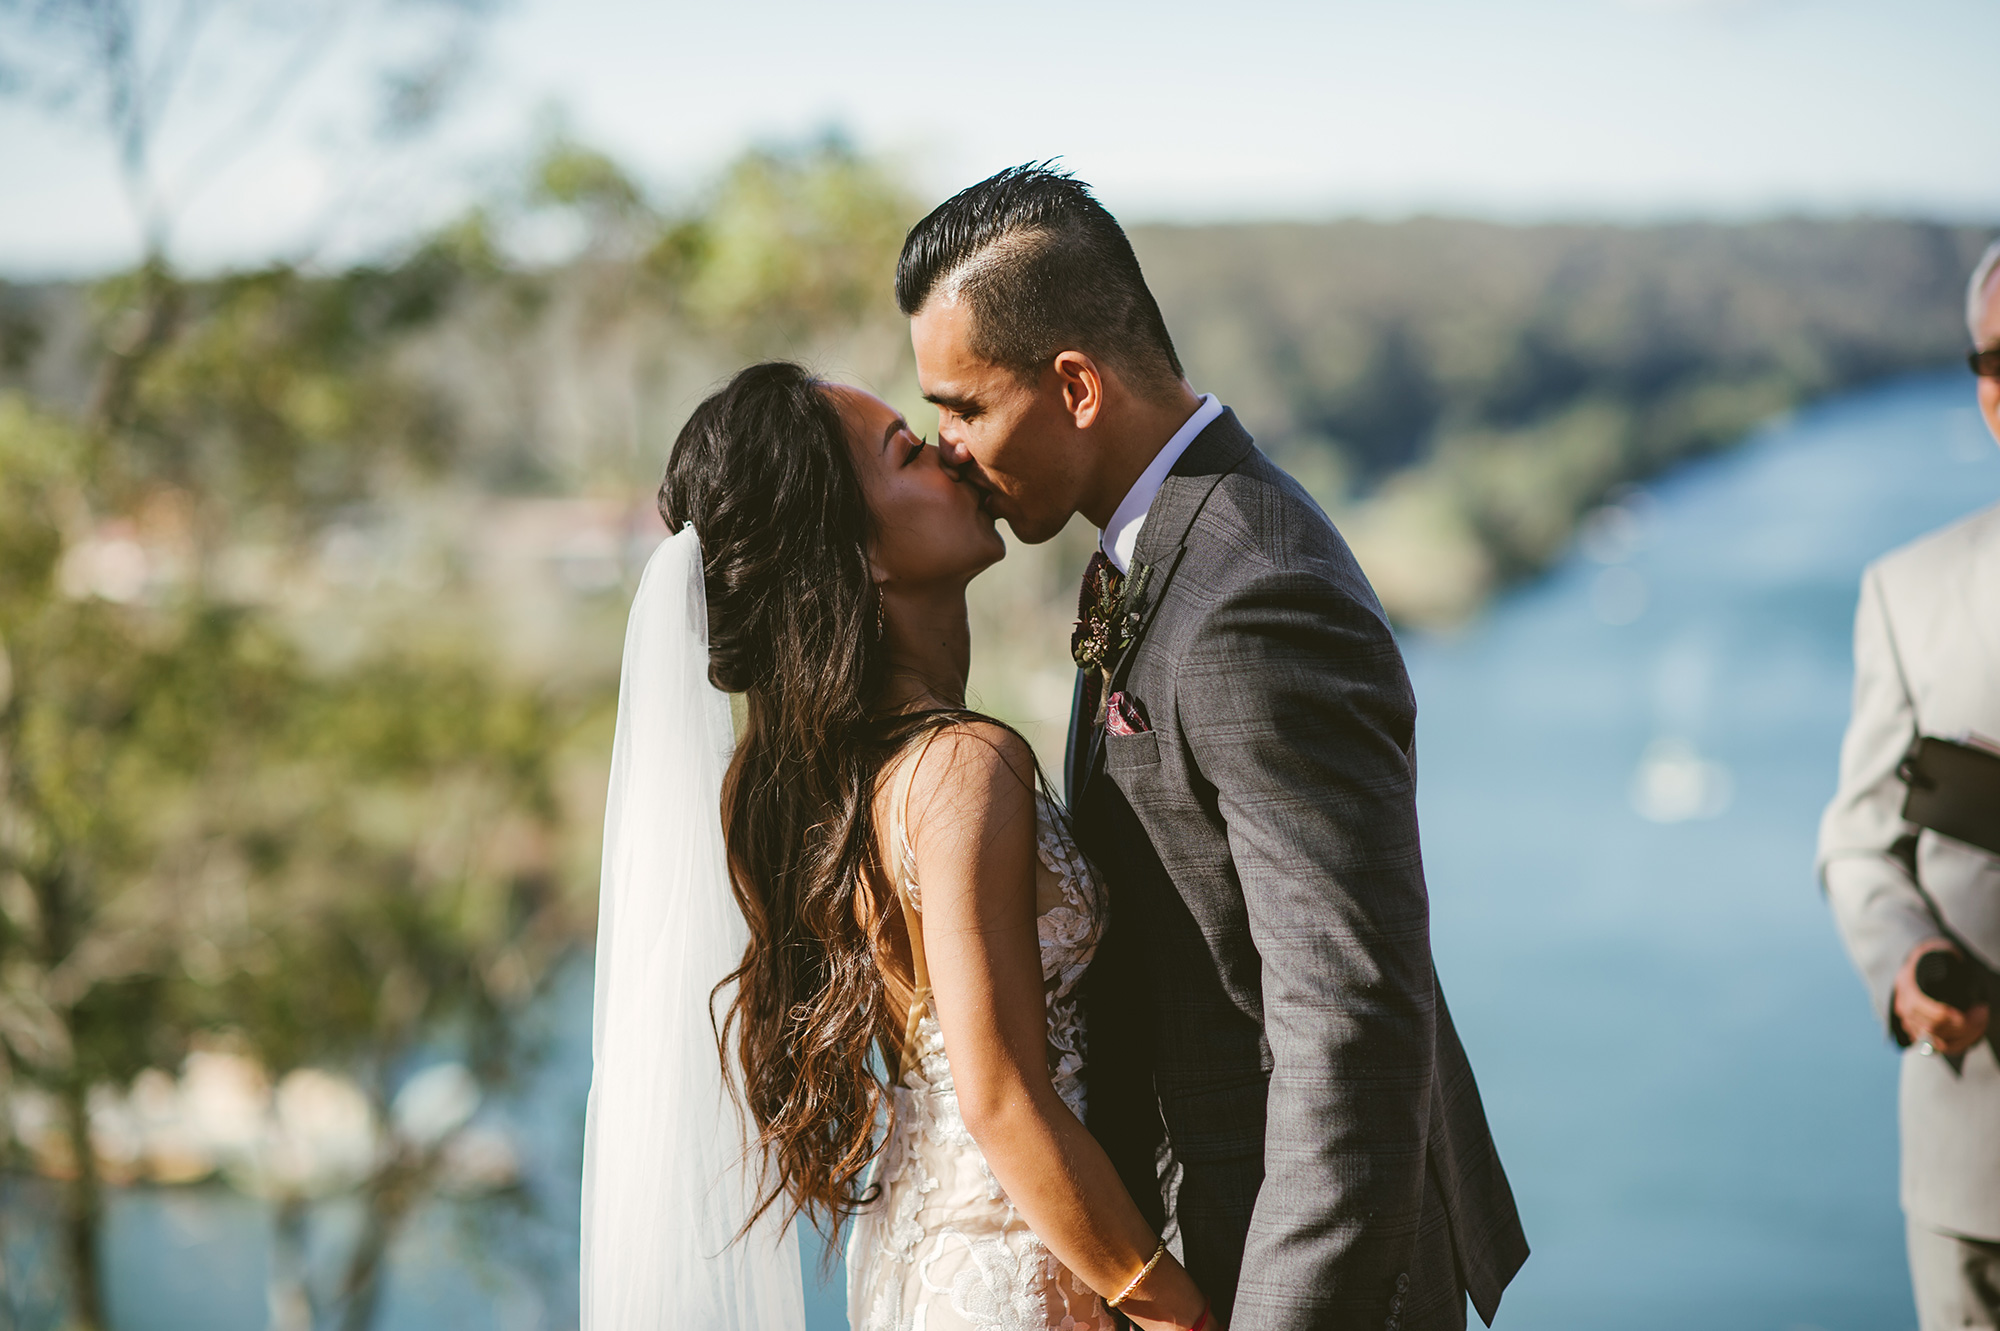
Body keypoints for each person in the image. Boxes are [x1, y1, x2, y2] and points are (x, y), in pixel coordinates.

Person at [897, 165, 1527, 1331]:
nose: (948, 451)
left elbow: (1350, 1026)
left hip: (1289, 1271)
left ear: (1074, 385)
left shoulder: (1257, 589)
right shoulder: (1157, 553)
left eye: (964, 407)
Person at [582, 361, 1215, 1331]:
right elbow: (1000, 1097)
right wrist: (1171, 1308)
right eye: (908, 452)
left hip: (920, 1262)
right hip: (1020, 1272)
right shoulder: (964, 764)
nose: (951, 453)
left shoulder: (833, 783)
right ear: (858, 552)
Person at [1818, 236, 2000, 1331]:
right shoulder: (1906, 590)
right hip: (1971, 1171)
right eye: (1995, 356)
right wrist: (1902, 962)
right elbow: (1857, 840)